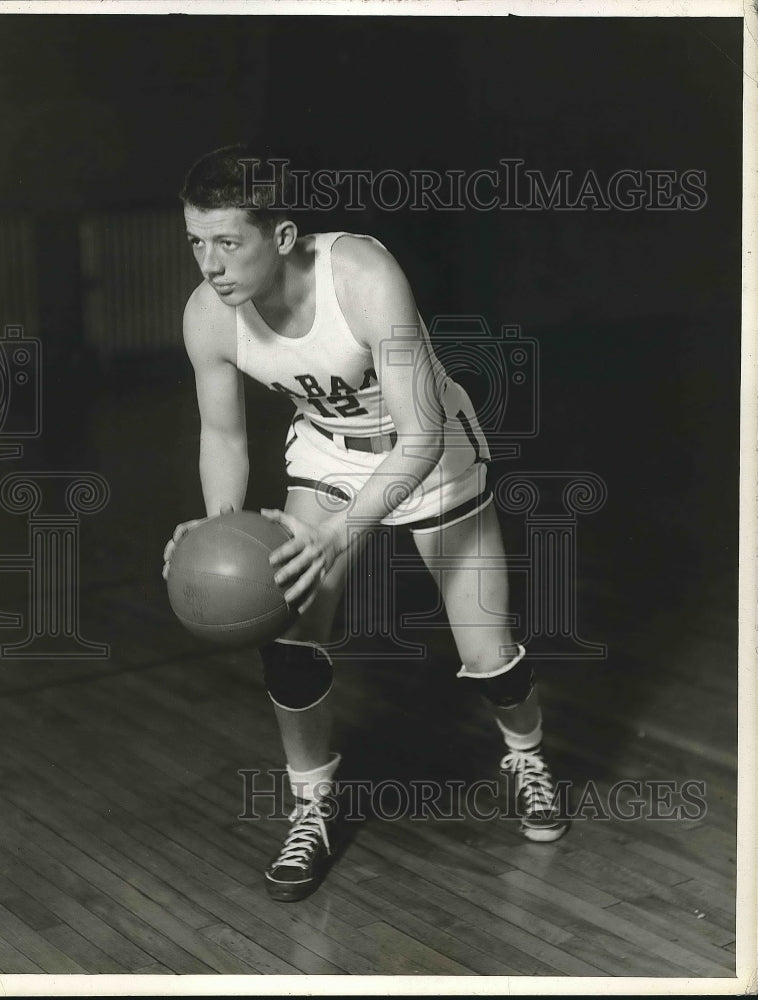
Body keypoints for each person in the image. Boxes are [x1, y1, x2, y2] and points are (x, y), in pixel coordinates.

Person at [163, 145, 568, 903]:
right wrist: (221, 537)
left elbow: (418, 436)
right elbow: (223, 438)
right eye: (195, 241)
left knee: (490, 655)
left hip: (431, 451)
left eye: (227, 242)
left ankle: (526, 755)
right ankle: (311, 804)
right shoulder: (206, 317)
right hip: (326, 454)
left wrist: (337, 536)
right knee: (290, 641)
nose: (209, 263)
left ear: (281, 237)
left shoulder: (362, 276)